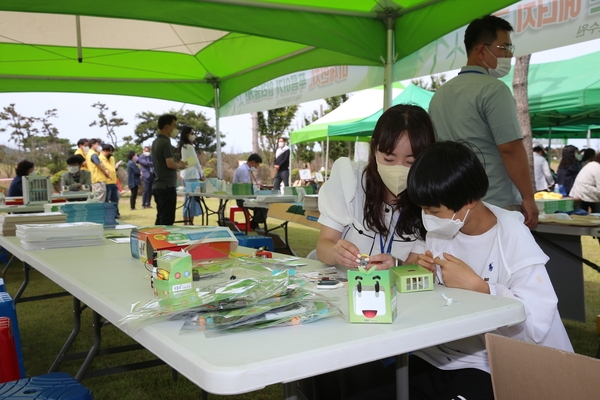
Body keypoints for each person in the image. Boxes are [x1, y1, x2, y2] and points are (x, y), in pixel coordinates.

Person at [404, 141, 572, 400]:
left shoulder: (512, 236)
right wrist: (426, 278)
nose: (427, 217)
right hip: (439, 354)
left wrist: (483, 289)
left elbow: (537, 323)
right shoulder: (442, 231)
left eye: (433, 210)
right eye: (424, 209)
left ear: (469, 200)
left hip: (491, 363)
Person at [428, 14, 538, 229]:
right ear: (480, 50)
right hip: (493, 202)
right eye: (504, 48)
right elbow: (510, 149)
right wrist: (528, 196)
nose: (508, 55)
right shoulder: (494, 89)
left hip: (452, 202)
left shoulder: (439, 95)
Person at [317, 103, 435, 269]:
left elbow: (417, 265)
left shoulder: (430, 200)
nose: (398, 168)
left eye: (410, 161)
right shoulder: (349, 179)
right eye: (389, 159)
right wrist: (336, 253)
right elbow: (323, 247)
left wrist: (397, 265)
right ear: (374, 149)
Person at [152, 114, 187, 225]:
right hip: (166, 186)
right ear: (167, 127)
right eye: (174, 126)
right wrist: (180, 165)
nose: (175, 129)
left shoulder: (156, 142)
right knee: (167, 221)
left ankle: (155, 240)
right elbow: (170, 164)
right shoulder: (165, 142)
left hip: (158, 185)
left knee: (161, 218)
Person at [177, 126, 204, 225]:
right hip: (192, 175)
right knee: (191, 201)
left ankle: (187, 223)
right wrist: (201, 173)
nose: (193, 135)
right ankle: (189, 223)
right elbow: (196, 161)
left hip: (186, 175)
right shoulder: (189, 146)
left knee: (188, 200)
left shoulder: (182, 146)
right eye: (191, 133)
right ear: (186, 134)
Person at [233, 153, 265, 230]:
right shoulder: (243, 170)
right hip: (242, 199)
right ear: (253, 162)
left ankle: (254, 224)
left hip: (244, 197)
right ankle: (254, 224)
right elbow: (246, 187)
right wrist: (257, 186)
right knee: (263, 207)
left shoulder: (245, 169)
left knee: (262, 205)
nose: (256, 167)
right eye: (257, 165)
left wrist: (255, 186)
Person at [101, 144, 120, 218]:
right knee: (106, 200)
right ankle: (107, 214)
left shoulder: (112, 158)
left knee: (115, 199)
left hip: (113, 182)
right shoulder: (100, 158)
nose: (111, 153)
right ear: (105, 151)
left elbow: (112, 169)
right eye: (110, 152)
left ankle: (115, 214)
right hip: (106, 182)